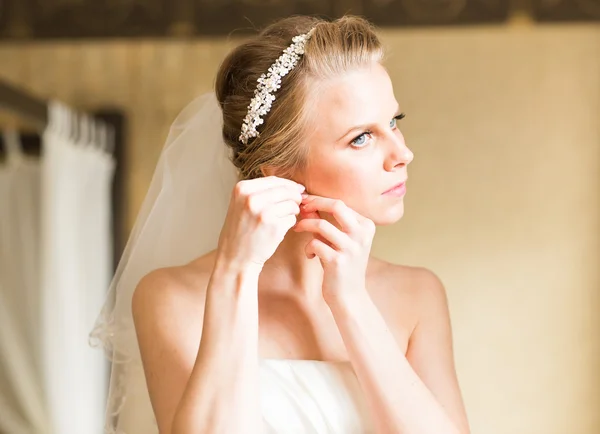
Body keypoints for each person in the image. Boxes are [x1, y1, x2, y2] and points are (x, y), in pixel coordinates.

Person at [91, 14, 470, 434]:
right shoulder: (171, 297)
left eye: (395, 122)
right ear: (280, 171)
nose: (402, 153)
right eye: (361, 137)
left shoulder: (418, 294)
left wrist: (351, 300)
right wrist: (236, 272)